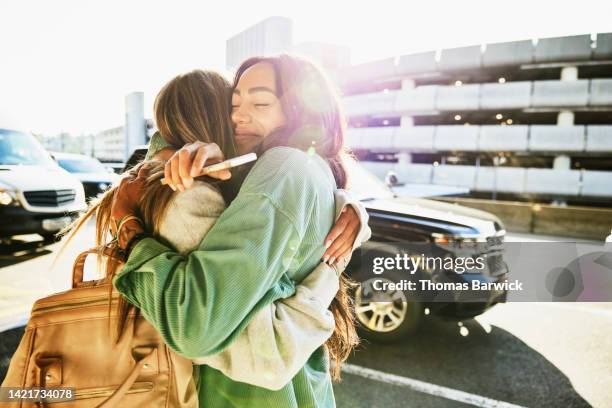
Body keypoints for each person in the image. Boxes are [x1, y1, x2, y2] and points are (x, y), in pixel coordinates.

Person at [110, 54, 365, 407]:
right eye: (233, 105)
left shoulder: (282, 168)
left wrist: (131, 233)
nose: (238, 117)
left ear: (300, 110)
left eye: (260, 102)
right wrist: (170, 150)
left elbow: (197, 328)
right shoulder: (290, 168)